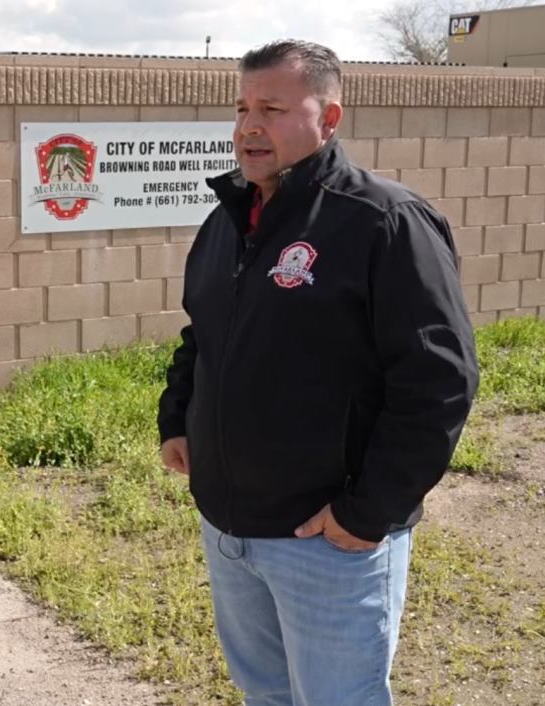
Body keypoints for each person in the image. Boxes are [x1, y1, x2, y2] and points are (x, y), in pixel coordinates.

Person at [157, 39, 480, 705]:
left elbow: (439, 381)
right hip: (229, 529)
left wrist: (368, 512)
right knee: (265, 696)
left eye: (272, 109)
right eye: (242, 108)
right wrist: (177, 419)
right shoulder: (229, 219)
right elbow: (204, 332)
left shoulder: (383, 221)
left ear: (328, 119)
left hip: (329, 543)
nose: (249, 126)